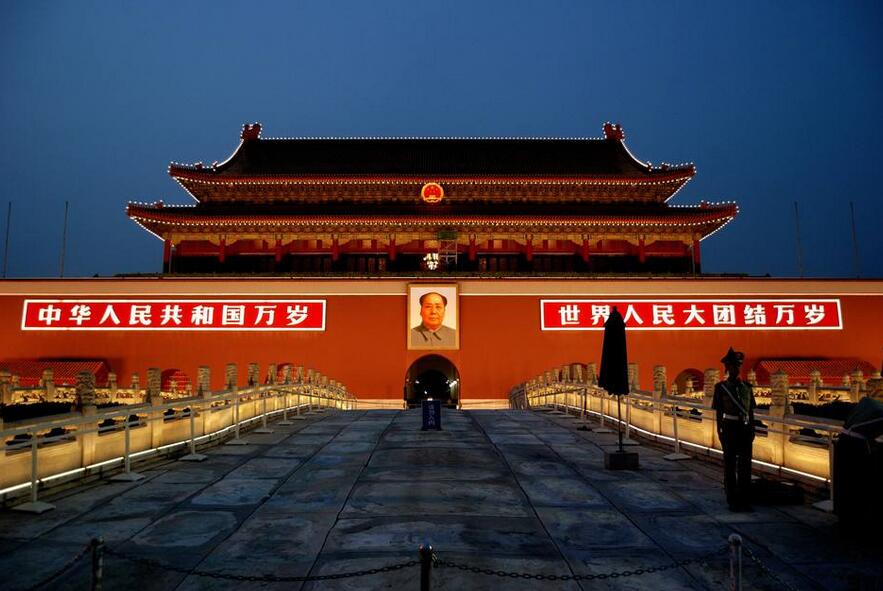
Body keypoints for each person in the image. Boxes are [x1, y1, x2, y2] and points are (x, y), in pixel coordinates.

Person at [712, 347, 756, 511]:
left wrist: (752, 429)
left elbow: (750, 411)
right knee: (730, 465)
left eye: (737, 366)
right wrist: (719, 430)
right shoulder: (721, 388)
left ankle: (745, 499)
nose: (735, 369)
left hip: (744, 429)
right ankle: (732, 499)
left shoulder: (747, 387)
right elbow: (719, 412)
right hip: (729, 428)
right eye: (732, 366)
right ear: (727, 368)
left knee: (745, 466)